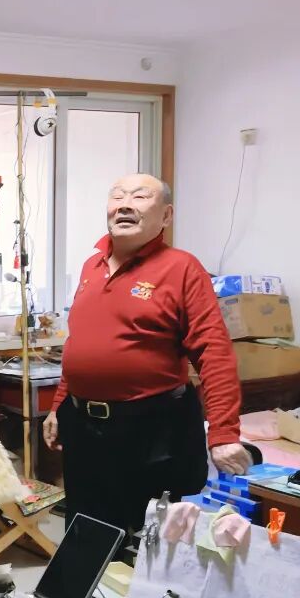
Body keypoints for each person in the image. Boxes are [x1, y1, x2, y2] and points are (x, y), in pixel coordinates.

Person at [43, 173, 251, 537]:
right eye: (117, 196)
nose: (125, 205)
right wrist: (59, 405)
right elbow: (83, 344)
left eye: (139, 197)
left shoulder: (181, 268)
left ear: (166, 216)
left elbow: (214, 353)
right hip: (84, 428)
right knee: (86, 533)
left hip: (152, 428)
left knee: (151, 542)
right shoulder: (92, 267)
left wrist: (223, 433)